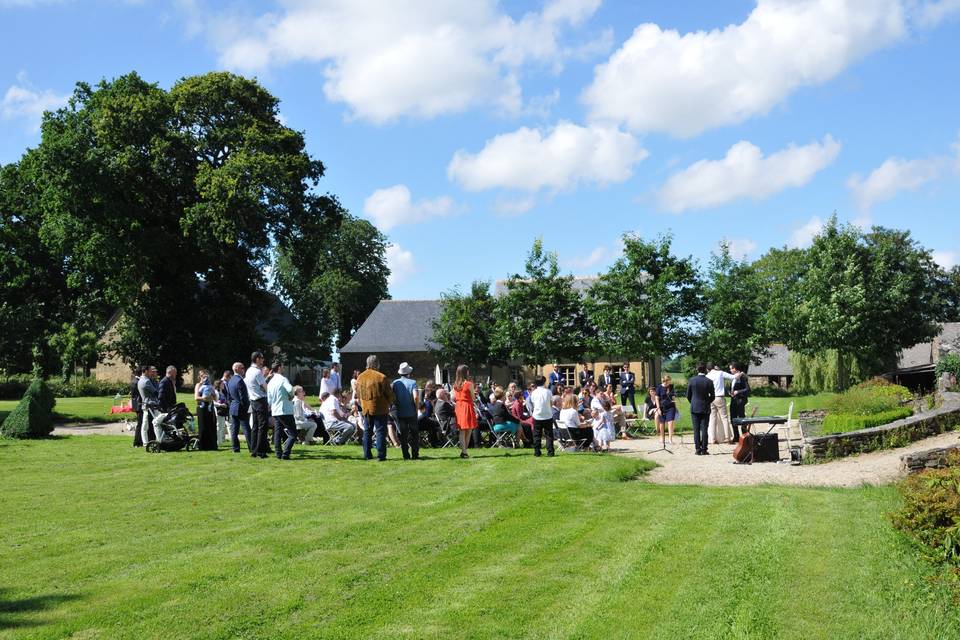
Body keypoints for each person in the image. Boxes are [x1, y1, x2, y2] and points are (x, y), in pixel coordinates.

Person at [355, 355, 395, 461]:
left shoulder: (360, 377)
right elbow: (389, 394)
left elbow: (357, 394)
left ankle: (367, 454)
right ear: (377, 363)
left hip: (366, 408)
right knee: (380, 431)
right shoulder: (381, 377)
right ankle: (381, 455)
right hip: (380, 408)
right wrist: (390, 402)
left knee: (367, 431)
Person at [391, 362, 420, 460]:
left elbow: (392, 397)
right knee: (414, 434)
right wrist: (416, 408)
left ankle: (405, 455)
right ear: (409, 373)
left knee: (403, 435)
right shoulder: (413, 382)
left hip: (400, 411)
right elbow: (416, 397)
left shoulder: (395, 383)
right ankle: (415, 455)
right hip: (411, 411)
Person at [687, 362, 716, 455]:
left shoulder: (692, 380)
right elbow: (713, 396)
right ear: (705, 370)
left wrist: (693, 402)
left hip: (695, 407)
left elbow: (688, 395)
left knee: (696, 429)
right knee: (704, 429)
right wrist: (707, 402)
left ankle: (697, 449)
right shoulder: (709, 381)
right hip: (705, 407)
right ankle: (704, 449)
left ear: (697, 369)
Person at [245, 351, 269, 459]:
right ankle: (261, 451)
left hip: (253, 401)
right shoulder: (257, 372)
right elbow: (265, 387)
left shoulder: (248, 371)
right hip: (260, 400)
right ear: (257, 359)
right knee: (262, 427)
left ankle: (253, 449)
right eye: (262, 358)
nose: (263, 360)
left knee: (255, 427)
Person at [707, 363, 737, 444]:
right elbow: (733, 377)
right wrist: (740, 373)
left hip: (710, 398)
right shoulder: (720, 373)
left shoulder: (707, 375)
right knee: (724, 417)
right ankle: (727, 437)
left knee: (712, 418)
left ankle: (713, 438)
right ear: (714, 367)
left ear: (707, 369)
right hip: (719, 397)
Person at [526, 375, 555, 457]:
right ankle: (550, 452)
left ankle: (537, 451)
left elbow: (533, 403)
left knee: (537, 435)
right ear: (544, 382)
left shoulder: (534, 393)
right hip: (547, 415)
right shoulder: (548, 391)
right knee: (549, 435)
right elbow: (551, 403)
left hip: (537, 415)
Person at [453, 365, 477, 459]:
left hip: (459, 406)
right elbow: (473, 398)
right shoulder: (469, 384)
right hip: (467, 406)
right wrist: (474, 394)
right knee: (469, 429)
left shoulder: (455, 384)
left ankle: (464, 451)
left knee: (462, 430)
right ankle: (464, 451)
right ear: (465, 372)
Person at [226, 362, 251, 453]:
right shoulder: (240, 381)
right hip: (241, 408)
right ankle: (252, 448)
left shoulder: (231, 380)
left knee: (234, 430)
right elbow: (243, 397)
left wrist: (231, 405)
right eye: (242, 368)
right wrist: (246, 407)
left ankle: (235, 448)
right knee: (246, 429)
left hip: (233, 407)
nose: (243, 370)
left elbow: (228, 397)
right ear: (236, 369)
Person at [194, 370, 218, 450]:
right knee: (203, 427)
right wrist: (204, 399)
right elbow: (196, 398)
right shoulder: (198, 385)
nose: (205, 378)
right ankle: (203, 446)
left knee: (211, 426)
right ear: (200, 377)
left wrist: (212, 397)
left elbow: (215, 397)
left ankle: (212, 445)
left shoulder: (210, 385)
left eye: (206, 376)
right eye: (203, 376)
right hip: (202, 408)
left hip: (210, 407)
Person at [137, 365, 160, 447]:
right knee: (156, 423)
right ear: (146, 371)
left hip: (146, 404)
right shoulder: (146, 381)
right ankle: (158, 440)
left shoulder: (141, 380)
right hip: (150, 405)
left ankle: (145, 442)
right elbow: (156, 392)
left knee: (145, 424)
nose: (151, 373)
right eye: (150, 371)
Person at [729, 363, 750, 442]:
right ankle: (736, 436)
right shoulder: (733, 377)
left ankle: (745, 436)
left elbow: (747, 389)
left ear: (735, 369)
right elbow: (731, 388)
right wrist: (729, 392)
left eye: (731, 368)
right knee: (732, 418)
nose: (730, 370)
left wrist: (737, 392)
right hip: (733, 400)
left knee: (741, 418)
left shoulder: (742, 377)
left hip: (741, 400)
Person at [656, 374, 679, 444]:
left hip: (671, 407)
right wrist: (658, 408)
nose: (669, 382)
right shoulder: (659, 387)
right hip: (662, 407)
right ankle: (662, 437)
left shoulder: (671, 387)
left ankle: (670, 439)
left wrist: (676, 406)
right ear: (665, 381)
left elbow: (673, 397)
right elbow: (657, 398)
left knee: (671, 422)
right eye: (668, 381)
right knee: (662, 423)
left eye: (670, 381)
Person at [214, 373, 230, 445]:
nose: (224, 385)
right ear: (219, 385)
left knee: (222, 426)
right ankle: (218, 441)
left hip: (223, 411)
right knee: (219, 426)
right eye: (222, 384)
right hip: (218, 411)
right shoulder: (216, 392)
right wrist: (220, 404)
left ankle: (220, 441)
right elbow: (213, 402)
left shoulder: (222, 392)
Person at [131, 367, 144, 447]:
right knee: (140, 423)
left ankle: (139, 440)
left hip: (136, 404)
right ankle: (137, 441)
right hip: (139, 404)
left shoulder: (134, 381)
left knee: (140, 423)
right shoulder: (137, 382)